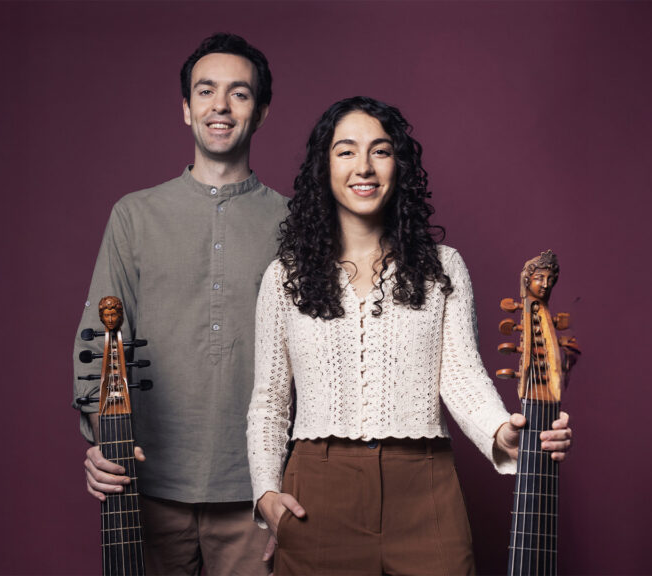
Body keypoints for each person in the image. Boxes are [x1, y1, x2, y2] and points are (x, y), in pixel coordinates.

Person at [246, 96, 573, 575]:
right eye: (345, 151)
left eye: (380, 151)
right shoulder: (284, 277)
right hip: (319, 490)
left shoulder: (444, 267)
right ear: (323, 167)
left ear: (398, 166)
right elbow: (270, 401)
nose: (364, 166)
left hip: (424, 486)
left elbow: (462, 376)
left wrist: (503, 433)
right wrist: (266, 493)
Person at [72, 33, 288, 575]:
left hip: (258, 493)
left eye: (239, 93)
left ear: (261, 113)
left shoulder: (296, 224)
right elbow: (97, 346)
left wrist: (291, 487)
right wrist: (107, 446)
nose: (221, 106)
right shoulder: (134, 215)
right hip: (145, 487)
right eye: (206, 91)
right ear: (186, 109)